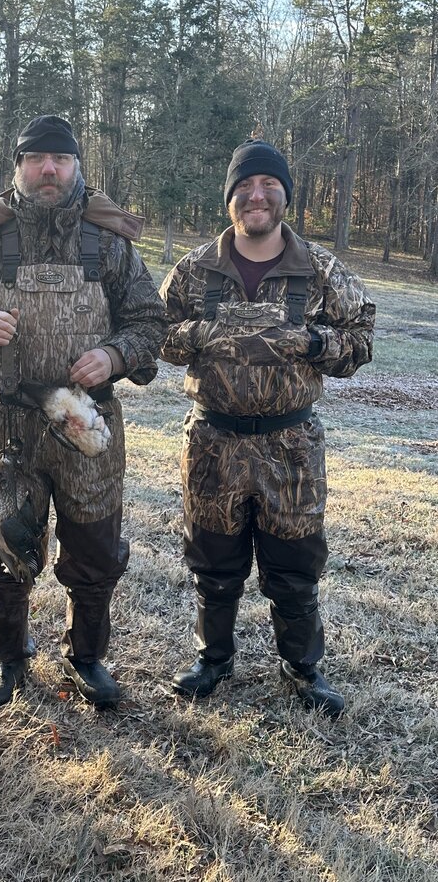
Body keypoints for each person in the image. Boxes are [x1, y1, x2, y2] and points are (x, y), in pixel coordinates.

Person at [0, 114, 167, 708]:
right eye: (36, 159)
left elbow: (150, 322)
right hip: (11, 423)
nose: (48, 170)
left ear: (76, 167)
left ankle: (86, 657)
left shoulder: (108, 243)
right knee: (3, 544)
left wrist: (114, 355)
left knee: (95, 548)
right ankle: (7, 655)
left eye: (60, 159)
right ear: (18, 167)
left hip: (88, 424)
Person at [160, 137, 375, 718]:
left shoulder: (319, 269)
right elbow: (156, 332)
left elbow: (361, 339)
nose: (257, 196)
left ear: (285, 196)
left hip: (291, 446)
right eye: (245, 186)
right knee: (213, 561)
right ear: (229, 198)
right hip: (213, 442)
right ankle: (213, 659)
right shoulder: (195, 269)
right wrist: (201, 336)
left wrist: (312, 342)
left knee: (294, 566)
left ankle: (302, 668)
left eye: (269, 186)